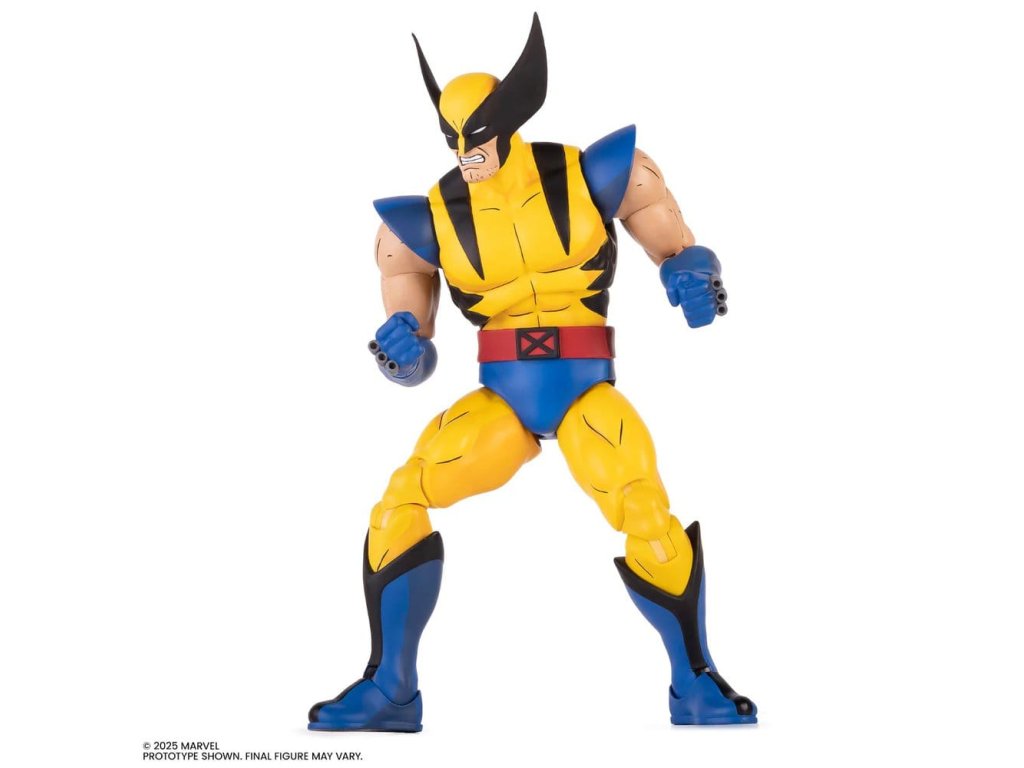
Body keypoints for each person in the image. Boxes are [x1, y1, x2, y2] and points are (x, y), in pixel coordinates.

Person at [308, 13, 755, 732]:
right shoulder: (421, 224)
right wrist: (402, 351)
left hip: (585, 390)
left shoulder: (591, 173)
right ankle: (392, 690)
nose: (466, 152)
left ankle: (694, 682)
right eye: (454, 137)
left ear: (511, 119)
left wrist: (694, 274)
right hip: (502, 398)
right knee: (399, 503)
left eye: (477, 133)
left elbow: (677, 243)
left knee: (645, 509)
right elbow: (414, 352)